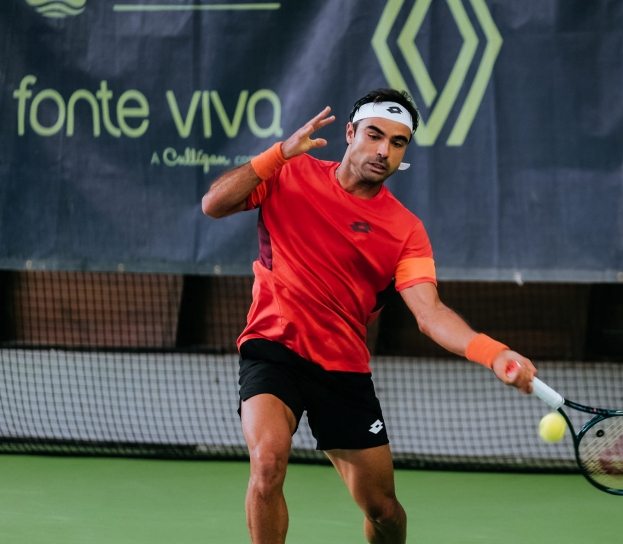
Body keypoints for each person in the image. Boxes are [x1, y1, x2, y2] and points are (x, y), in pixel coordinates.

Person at [202, 88, 536, 544]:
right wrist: (277, 154)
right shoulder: (288, 173)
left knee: (384, 511)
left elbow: (430, 312)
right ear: (349, 133)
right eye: (375, 135)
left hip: (342, 370)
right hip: (272, 348)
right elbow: (213, 204)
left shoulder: (405, 230)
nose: (384, 151)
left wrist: (492, 353)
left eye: (398, 142)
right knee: (267, 463)